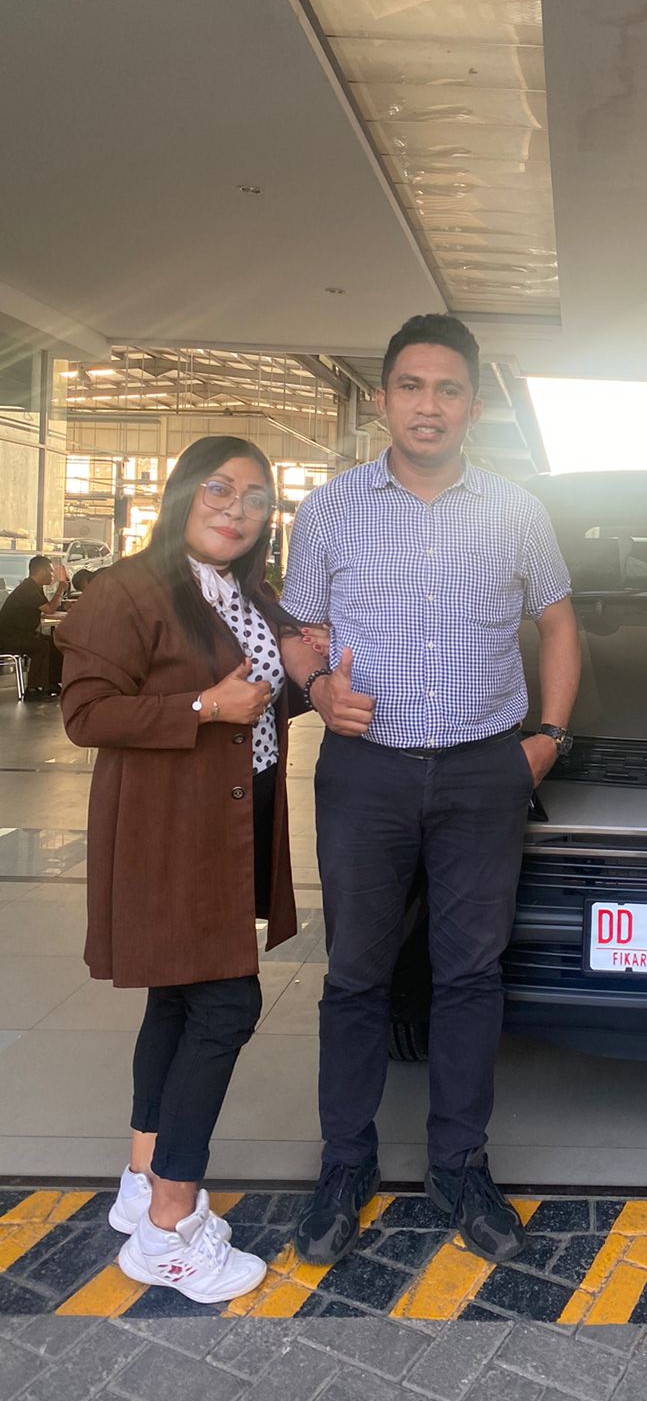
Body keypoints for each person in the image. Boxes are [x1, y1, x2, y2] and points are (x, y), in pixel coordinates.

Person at [280, 313, 581, 1268]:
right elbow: (297, 628)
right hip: (365, 773)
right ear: (383, 399)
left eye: (448, 389)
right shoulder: (330, 509)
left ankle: (458, 1165)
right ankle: (345, 1163)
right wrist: (318, 688)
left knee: (471, 976)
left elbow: (560, 624)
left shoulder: (516, 510)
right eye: (411, 385)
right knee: (355, 974)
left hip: (484, 770)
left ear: (473, 408)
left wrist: (548, 738)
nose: (428, 405)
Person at [57, 437, 306, 1304]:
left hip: (232, 825)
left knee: (176, 999)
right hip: (170, 832)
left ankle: (140, 1180)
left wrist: (306, 674)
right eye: (219, 489)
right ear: (181, 494)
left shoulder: (246, 592)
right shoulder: (128, 589)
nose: (237, 509)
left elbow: (266, 691)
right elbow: (86, 713)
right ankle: (168, 1229)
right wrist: (204, 705)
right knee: (226, 1006)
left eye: (256, 497)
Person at [0, 554, 68, 697]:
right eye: (50, 571)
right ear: (41, 572)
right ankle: (34, 689)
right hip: (9, 637)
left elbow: (43, 610)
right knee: (41, 647)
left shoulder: (35, 587)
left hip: (22, 634)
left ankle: (51, 683)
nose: (53, 575)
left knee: (53, 643)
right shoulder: (28, 590)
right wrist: (61, 588)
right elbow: (49, 609)